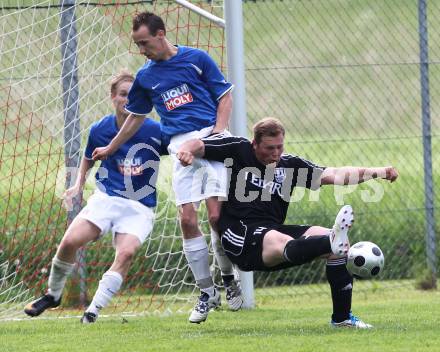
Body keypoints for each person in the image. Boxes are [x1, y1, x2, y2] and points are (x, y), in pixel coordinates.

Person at [176, 117, 399, 328]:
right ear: (255, 144)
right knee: (281, 239)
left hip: (272, 231)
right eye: (269, 148)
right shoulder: (238, 150)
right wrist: (186, 151)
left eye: (279, 147)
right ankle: (330, 241)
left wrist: (377, 172)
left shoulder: (289, 166)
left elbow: (334, 174)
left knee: (335, 246)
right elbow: (198, 144)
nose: (275, 154)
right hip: (239, 235)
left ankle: (342, 319)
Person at [91, 12, 243, 323]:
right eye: (137, 44)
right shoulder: (145, 77)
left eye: (144, 42)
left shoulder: (196, 58)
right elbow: (135, 117)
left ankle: (228, 278)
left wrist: (218, 132)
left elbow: (225, 95)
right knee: (187, 219)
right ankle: (207, 291)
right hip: (179, 146)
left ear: (161, 34)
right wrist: (111, 147)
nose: (141, 49)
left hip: (209, 138)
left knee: (216, 217)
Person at [24, 70, 168, 323]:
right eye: (123, 94)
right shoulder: (100, 129)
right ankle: (53, 295)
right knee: (69, 242)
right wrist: (78, 184)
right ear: (113, 97)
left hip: (140, 206)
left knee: (126, 253)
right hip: (106, 198)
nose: (128, 100)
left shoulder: (155, 130)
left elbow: (181, 147)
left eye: (133, 95)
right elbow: (88, 158)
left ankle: (92, 312)